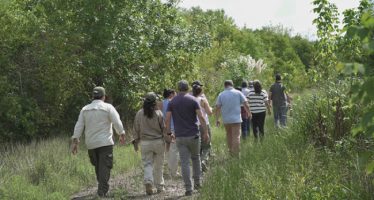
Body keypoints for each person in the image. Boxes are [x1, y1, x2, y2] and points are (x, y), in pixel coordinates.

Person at [71, 87, 126, 197]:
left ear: (92, 97)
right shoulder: (108, 107)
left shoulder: (85, 109)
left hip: (91, 144)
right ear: (104, 97)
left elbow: (79, 126)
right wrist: (121, 133)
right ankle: (102, 192)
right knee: (104, 167)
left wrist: (75, 142)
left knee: (98, 166)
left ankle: (101, 189)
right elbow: (117, 122)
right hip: (105, 142)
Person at [165, 80, 209, 196]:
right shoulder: (193, 100)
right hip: (194, 134)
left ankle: (188, 188)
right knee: (196, 158)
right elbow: (201, 117)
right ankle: (198, 183)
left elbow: (168, 118)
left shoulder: (172, 102)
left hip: (180, 136)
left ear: (178, 88)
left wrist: (169, 133)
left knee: (184, 162)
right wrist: (205, 132)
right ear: (187, 88)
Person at [133, 92, 169, 195]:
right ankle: (160, 187)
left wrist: (136, 141)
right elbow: (164, 129)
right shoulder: (159, 113)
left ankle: (148, 181)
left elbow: (136, 128)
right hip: (158, 142)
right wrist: (167, 139)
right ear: (155, 102)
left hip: (145, 143)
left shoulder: (139, 113)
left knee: (147, 164)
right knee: (159, 165)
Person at [215, 80, 251, 157]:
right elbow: (246, 104)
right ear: (232, 85)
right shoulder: (238, 93)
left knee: (229, 135)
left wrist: (217, 119)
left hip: (226, 120)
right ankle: (236, 155)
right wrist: (249, 113)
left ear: (225, 86)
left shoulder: (221, 94)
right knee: (236, 136)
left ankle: (231, 153)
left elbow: (217, 107)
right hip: (236, 119)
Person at [192, 82, 213, 172]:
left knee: (198, 146)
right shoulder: (203, 100)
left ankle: (198, 165)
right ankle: (203, 160)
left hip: (193, 125)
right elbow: (209, 113)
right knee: (207, 145)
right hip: (204, 124)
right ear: (201, 91)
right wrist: (211, 108)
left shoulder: (190, 99)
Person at [159, 88, 180, 178]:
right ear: (171, 94)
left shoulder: (160, 103)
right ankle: (173, 172)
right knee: (174, 151)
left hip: (163, 129)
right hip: (173, 129)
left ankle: (166, 169)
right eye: (175, 94)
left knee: (166, 150)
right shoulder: (173, 102)